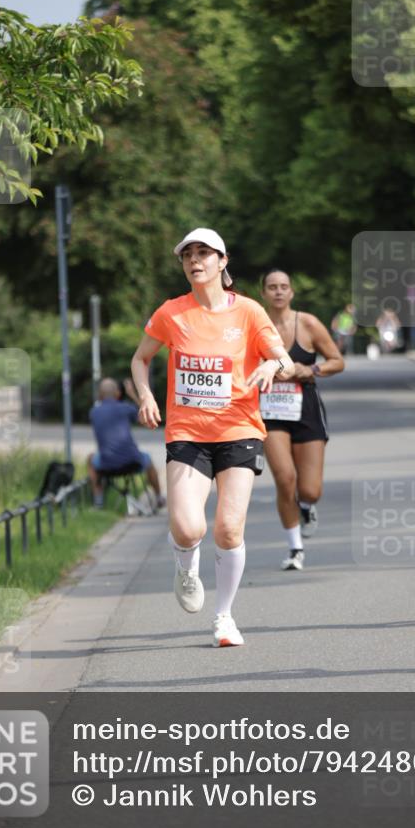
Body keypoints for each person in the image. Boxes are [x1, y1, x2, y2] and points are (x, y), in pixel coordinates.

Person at [131, 228, 294, 647]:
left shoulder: (249, 312)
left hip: (239, 429)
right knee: (188, 529)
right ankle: (186, 567)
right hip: (187, 432)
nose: (195, 260)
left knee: (228, 529)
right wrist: (146, 395)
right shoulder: (172, 313)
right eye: (188, 255)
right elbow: (141, 358)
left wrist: (270, 366)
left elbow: (286, 361)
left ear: (222, 261)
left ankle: (224, 617)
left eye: (204, 253)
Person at [260, 270, 345, 570]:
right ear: (263, 293)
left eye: (284, 287)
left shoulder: (307, 323)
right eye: (272, 287)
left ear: (292, 292)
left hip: (306, 408)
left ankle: (306, 507)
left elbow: (337, 361)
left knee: (310, 490)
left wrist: (311, 370)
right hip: (270, 411)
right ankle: (295, 548)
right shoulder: (255, 325)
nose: (278, 292)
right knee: (285, 479)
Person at [87, 377, 164, 508]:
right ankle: (158, 497)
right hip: (132, 461)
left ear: (100, 395)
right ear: (117, 393)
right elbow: (147, 416)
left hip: (106, 464)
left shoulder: (94, 413)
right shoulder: (125, 408)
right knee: (148, 459)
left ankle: (98, 500)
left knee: (90, 459)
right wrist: (132, 394)